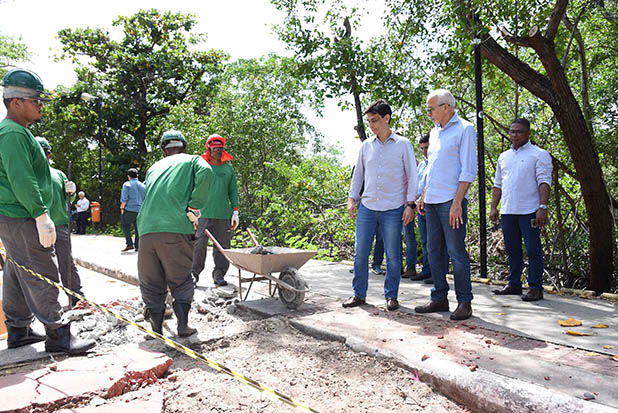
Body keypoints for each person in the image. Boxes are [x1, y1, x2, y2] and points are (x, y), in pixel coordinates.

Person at [0, 68, 94, 354]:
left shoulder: (17, 132)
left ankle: (18, 329)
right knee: (43, 269)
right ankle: (58, 334)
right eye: (35, 100)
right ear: (15, 101)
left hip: (13, 214)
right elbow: (22, 179)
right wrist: (41, 215)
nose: (40, 105)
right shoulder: (13, 133)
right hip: (21, 215)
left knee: (18, 270)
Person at [137, 130, 212, 337]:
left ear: (164, 150)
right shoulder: (193, 160)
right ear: (184, 147)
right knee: (180, 278)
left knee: (152, 281)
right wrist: (195, 207)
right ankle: (182, 326)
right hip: (176, 227)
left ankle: (155, 329)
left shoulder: (153, 168)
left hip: (145, 230)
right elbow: (206, 172)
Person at [344, 99, 418, 311]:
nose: (372, 125)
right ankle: (358, 295)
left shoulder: (403, 144)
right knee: (360, 253)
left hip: (393, 209)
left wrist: (410, 204)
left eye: (375, 120)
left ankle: (391, 297)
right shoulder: (366, 146)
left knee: (393, 255)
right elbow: (358, 174)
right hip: (367, 207)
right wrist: (352, 199)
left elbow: (412, 176)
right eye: (369, 121)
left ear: (387, 118)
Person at [415, 89, 477, 321]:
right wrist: (423, 196)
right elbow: (432, 168)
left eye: (431, 109)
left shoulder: (465, 129)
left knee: (456, 252)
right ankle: (439, 297)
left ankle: (464, 302)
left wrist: (458, 202)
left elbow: (469, 169)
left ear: (446, 107)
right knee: (433, 252)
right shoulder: (434, 133)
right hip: (431, 202)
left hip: (451, 201)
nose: (429, 113)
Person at [490, 118, 551, 302]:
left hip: (530, 210)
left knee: (533, 250)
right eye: (512, 131)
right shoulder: (504, 156)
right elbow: (498, 184)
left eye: (519, 132)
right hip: (508, 210)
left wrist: (543, 207)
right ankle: (514, 284)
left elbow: (544, 181)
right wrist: (494, 206)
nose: (515, 135)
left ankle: (535, 287)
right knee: (512, 249)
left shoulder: (539, 154)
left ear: (528, 133)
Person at [36, 136, 85, 308]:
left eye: (45, 153)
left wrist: (70, 192)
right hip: (37, 227)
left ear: (49, 155)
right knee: (43, 267)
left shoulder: (59, 175)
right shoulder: (29, 174)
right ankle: (48, 306)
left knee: (66, 264)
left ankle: (77, 299)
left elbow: (67, 200)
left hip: (60, 225)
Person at [191, 134, 240, 286]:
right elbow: (192, 187)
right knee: (199, 245)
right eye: (214, 148)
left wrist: (235, 211)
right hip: (202, 213)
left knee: (222, 247)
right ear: (209, 149)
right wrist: (191, 210)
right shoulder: (201, 166)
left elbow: (233, 190)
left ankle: (219, 275)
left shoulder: (228, 168)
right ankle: (194, 274)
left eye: (220, 148)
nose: (218, 151)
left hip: (223, 214)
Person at [409, 134, 449, 283]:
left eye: (427, 147)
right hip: (420, 205)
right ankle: (427, 270)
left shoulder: (437, 162)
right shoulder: (421, 165)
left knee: (439, 243)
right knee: (426, 242)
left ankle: (439, 274)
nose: (425, 151)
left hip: (434, 204)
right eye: (422, 148)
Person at [120, 168, 145, 252]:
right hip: (140, 210)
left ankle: (129, 244)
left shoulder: (127, 184)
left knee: (125, 225)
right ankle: (138, 246)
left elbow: (124, 199)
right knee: (138, 228)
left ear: (128, 176)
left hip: (129, 209)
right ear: (137, 176)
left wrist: (122, 208)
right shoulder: (143, 185)